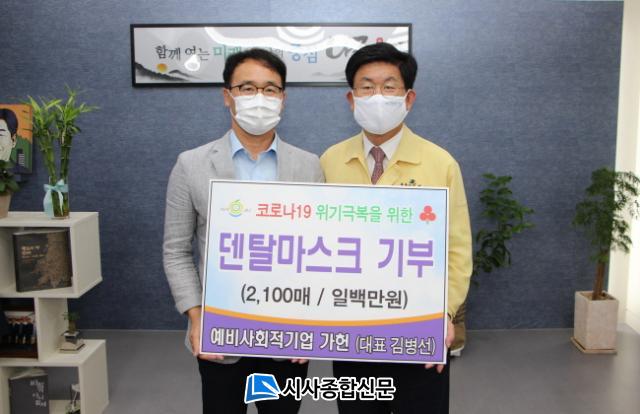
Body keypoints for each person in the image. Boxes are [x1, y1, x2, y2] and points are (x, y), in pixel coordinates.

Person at [163, 48, 323, 414]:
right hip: (220, 332)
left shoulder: (309, 165)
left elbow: (318, 251)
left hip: (287, 334)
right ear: (227, 96)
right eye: (247, 88)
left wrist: (311, 324)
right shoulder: (191, 164)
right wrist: (197, 316)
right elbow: (176, 250)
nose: (259, 98)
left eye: (270, 89)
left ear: (283, 98)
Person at [320, 42, 472, 413]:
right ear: (351, 98)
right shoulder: (329, 161)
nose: (377, 96)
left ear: (409, 97)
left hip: (417, 324)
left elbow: (457, 249)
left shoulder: (440, 163)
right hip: (351, 326)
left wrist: (444, 313)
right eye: (366, 87)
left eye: (389, 87)